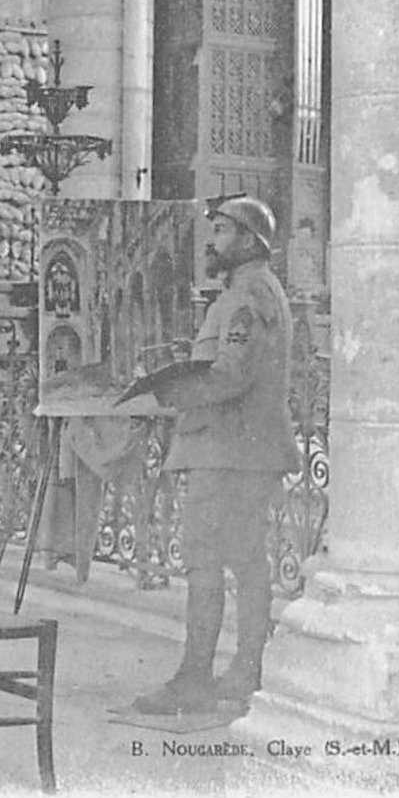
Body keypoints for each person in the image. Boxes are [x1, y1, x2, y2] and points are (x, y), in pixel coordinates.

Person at [133, 194, 300, 715]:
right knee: (248, 561)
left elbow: (230, 375)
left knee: (204, 560)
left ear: (251, 241)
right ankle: (246, 670)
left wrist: (168, 391)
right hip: (244, 450)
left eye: (224, 230)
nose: (213, 240)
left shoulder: (248, 295)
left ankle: (194, 678)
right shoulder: (249, 292)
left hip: (227, 452)